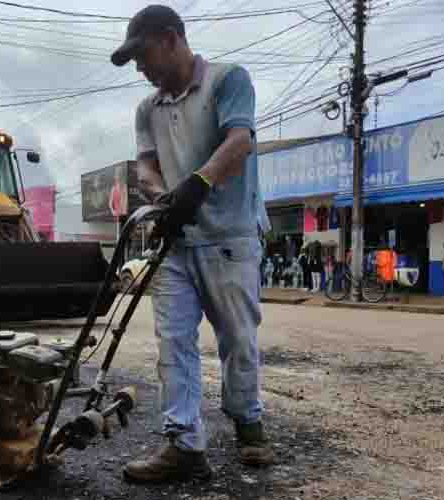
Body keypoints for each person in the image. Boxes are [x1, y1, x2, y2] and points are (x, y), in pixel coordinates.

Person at [110, 4, 272, 483]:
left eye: (142, 56)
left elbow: (239, 140)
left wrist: (197, 184)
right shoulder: (147, 109)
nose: (140, 69)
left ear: (170, 38)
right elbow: (145, 165)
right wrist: (163, 198)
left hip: (229, 238)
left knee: (237, 339)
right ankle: (183, 444)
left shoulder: (228, 80)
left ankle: (248, 422)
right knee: (173, 341)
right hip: (177, 240)